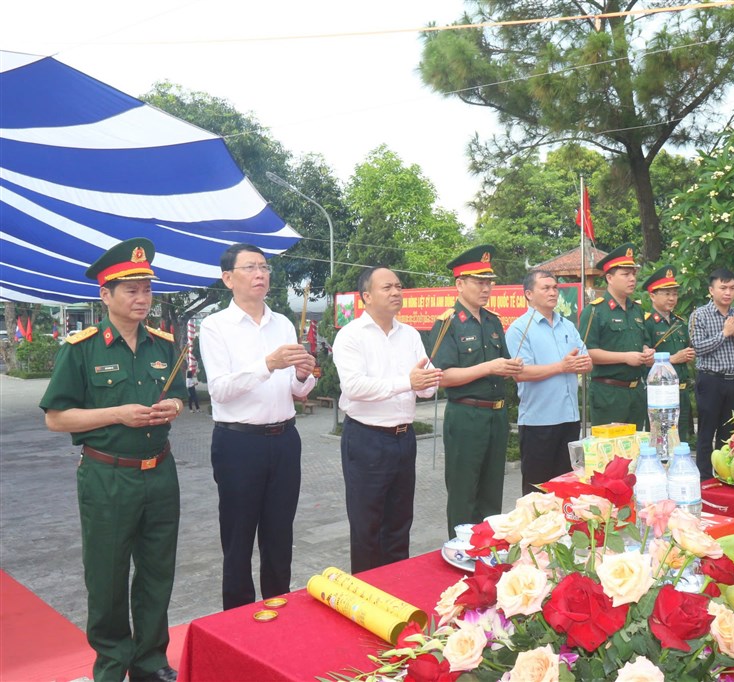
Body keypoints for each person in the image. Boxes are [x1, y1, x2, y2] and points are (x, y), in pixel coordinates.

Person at [39, 238, 185, 682]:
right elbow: (57, 418)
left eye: (147, 290)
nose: (142, 299)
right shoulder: (81, 348)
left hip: (160, 472)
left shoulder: (163, 344)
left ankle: (150, 661)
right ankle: (111, 665)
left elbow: (177, 393)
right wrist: (117, 414)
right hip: (107, 476)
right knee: (106, 575)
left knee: (158, 571)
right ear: (105, 295)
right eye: (131, 291)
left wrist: (174, 407)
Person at [199, 243, 316, 610]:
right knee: (238, 537)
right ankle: (237, 621)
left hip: (284, 440)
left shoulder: (282, 322)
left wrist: (302, 374)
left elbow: (298, 390)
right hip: (239, 444)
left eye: (264, 267)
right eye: (250, 268)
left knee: (280, 535)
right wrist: (268, 363)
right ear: (228, 278)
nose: (260, 274)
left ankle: (279, 611)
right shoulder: (215, 326)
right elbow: (220, 389)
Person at [333, 266, 443, 572]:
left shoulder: (409, 334)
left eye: (398, 286)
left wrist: (430, 380)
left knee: (399, 524)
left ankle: (397, 594)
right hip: (367, 440)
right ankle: (367, 599)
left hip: (404, 439)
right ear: (366, 296)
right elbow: (354, 387)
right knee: (367, 528)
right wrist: (409, 382)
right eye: (387, 287)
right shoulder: (350, 336)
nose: (396, 292)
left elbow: (426, 383)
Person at [429, 245, 523, 535]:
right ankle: (460, 553)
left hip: (496, 416)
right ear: (460, 284)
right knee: (463, 495)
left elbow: (502, 362)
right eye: (479, 282)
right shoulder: (447, 324)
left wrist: (511, 367)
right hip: (466, 415)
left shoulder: (493, 321)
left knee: (492, 493)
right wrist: (489, 368)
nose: (486, 288)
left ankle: (487, 554)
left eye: (489, 282)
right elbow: (442, 377)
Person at [506, 270, 592, 494]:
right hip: (538, 422)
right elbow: (520, 373)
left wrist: (583, 364)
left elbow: (586, 361)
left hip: (569, 418)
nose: (553, 292)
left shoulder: (567, 325)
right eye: (545, 288)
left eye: (555, 288)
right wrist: (561, 367)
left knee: (568, 488)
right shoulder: (519, 328)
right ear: (529, 294)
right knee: (538, 492)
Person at [577, 243, 653, 430]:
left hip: (636, 393)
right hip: (608, 393)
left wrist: (647, 352)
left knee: (634, 452)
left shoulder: (637, 309)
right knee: (610, 454)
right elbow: (587, 353)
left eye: (633, 274)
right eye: (625, 274)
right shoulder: (595, 311)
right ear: (609, 278)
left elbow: (644, 342)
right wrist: (625, 358)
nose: (632, 279)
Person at [690, 267, 734, 480]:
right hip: (710, 380)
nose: (728, 292)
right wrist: (723, 333)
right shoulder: (700, 314)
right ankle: (704, 478)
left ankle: (724, 474)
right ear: (711, 290)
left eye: (732, 288)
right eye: (723, 287)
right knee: (706, 431)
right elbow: (698, 347)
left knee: (730, 432)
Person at [643, 265, 696, 441]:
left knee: (681, 440)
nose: (672, 298)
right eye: (666, 294)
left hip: (680, 390)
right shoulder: (646, 323)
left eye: (674, 294)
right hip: (660, 393)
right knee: (660, 441)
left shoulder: (679, 323)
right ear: (652, 295)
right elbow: (645, 360)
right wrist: (674, 359)